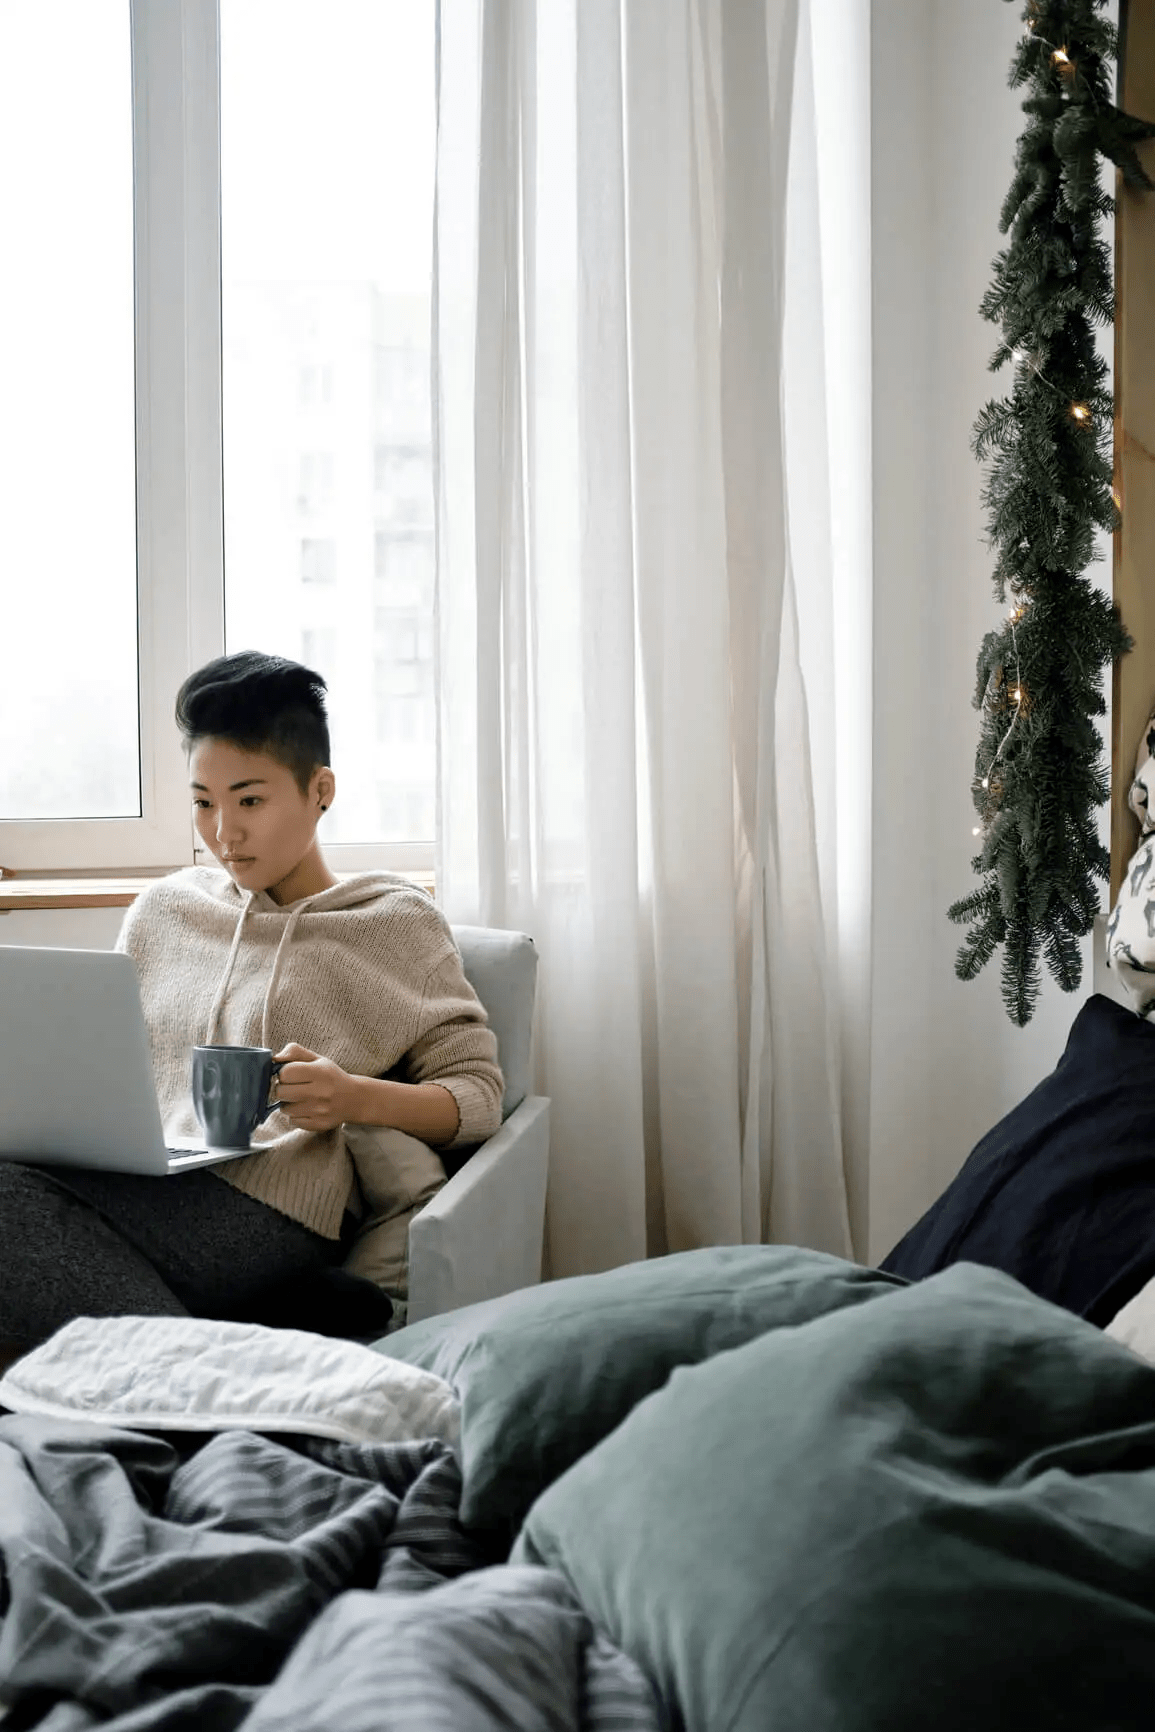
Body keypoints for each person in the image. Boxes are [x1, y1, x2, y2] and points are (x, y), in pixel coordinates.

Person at [0, 652, 503, 1365]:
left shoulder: (393, 923)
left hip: (272, 1208)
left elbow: (477, 1099)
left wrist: (352, 1096)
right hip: (143, 1186)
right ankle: (234, 1355)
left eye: (250, 800)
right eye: (203, 802)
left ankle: (207, 1369)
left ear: (319, 789)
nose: (223, 832)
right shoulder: (164, 911)